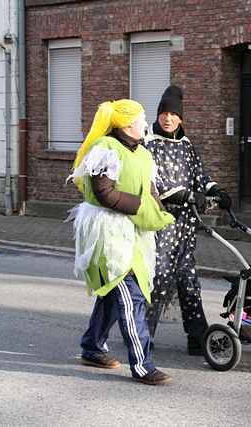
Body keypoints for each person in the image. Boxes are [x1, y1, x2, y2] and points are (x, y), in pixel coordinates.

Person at [67, 99, 175, 385]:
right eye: (141, 120)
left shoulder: (142, 153)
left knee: (113, 296)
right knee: (131, 297)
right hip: (109, 233)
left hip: (135, 233)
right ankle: (143, 365)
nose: (145, 125)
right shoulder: (105, 148)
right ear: (127, 124)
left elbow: (150, 190)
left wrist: (163, 206)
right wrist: (142, 206)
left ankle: (92, 347)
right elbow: (104, 193)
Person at [144, 85, 231, 355]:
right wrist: (185, 196)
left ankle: (197, 336)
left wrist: (215, 190)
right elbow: (154, 180)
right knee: (159, 278)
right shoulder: (149, 146)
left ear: (181, 118)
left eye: (173, 114)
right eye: (163, 113)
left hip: (186, 225)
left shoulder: (187, 146)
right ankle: (142, 333)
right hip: (162, 222)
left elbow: (200, 177)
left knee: (189, 280)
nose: (167, 118)